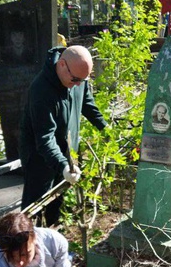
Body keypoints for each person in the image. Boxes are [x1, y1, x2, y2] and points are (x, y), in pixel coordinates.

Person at [20, 45, 107, 225]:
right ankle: (27, 246)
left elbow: (87, 104)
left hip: (66, 154)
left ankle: (54, 236)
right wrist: (63, 166)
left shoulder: (77, 77)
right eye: (75, 79)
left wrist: (106, 130)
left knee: (57, 205)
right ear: (61, 65)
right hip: (41, 159)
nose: (77, 84)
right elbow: (45, 138)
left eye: (82, 81)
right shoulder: (41, 90)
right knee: (35, 207)